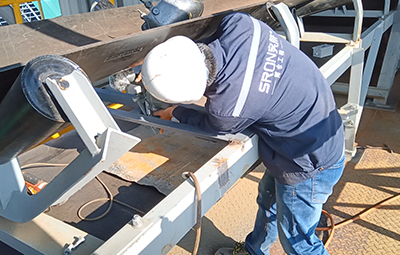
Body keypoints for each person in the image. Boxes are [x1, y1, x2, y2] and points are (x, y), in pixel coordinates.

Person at [140, 12, 345, 255]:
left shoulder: (229, 110)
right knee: (268, 203)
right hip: (317, 130)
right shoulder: (241, 25)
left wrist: (176, 112)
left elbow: (210, 124)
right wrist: (160, 62)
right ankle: (254, 250)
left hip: (308, 164)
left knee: (298, 241)